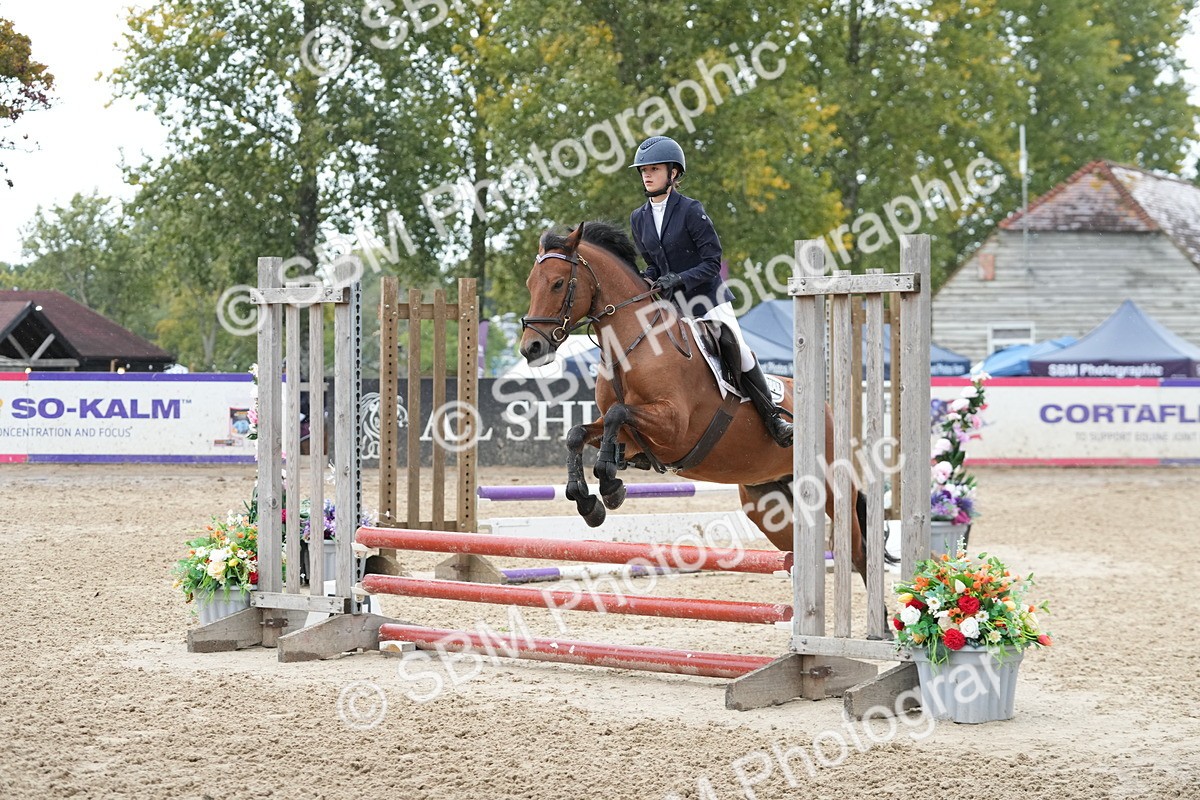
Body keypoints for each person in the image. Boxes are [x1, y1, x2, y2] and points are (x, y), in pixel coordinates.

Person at [628, 135, 792, 447]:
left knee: (739, 351)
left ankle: (773, 416)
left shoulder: (690, 210)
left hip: (707, 300)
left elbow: (711, 263)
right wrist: (646, 280)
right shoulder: (638, 217)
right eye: (643, 170)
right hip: (671, 307)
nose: (647, 175)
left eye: (655, 169)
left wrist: (679, 279)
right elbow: (651, 264)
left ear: (673, 173)